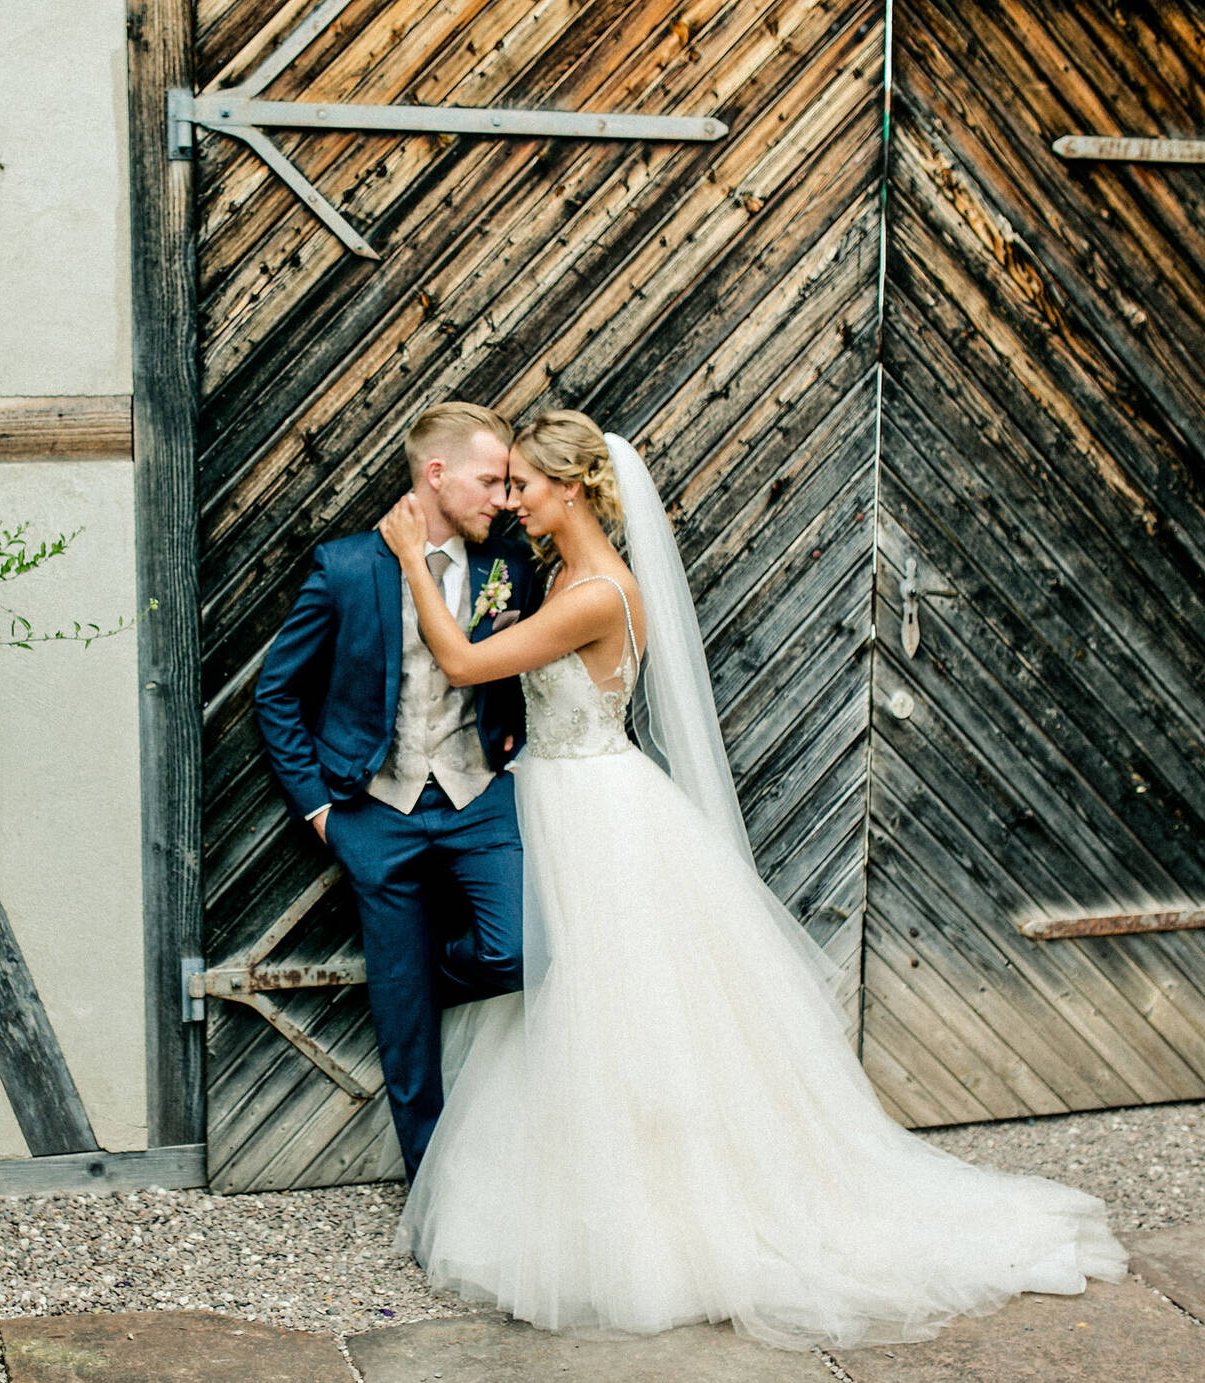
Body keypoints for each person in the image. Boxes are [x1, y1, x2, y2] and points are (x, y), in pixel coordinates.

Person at [376, 409, 1127, 1350]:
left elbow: (464, 659)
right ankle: (576, 1200)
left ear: (569, 489)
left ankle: (655, 1230)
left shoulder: (598, 592)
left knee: (618, 1013)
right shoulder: (564, 575)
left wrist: (413, 557)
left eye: (524, 482)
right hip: (562, 795)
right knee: (568, 1005)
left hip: (595, 815)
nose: (512, 497)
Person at [255, 401, 541, 1181]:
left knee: (517, 950)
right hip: (372, 811)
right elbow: (276, 693)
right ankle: (433, 1197)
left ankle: (412, 981)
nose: (504, 497)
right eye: (491, 479)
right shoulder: (347, 566)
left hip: (479, 800)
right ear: (436, 473)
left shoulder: (508, 568)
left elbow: (526, 667)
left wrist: (513, 744)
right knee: (404, 1034)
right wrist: (319, 809)